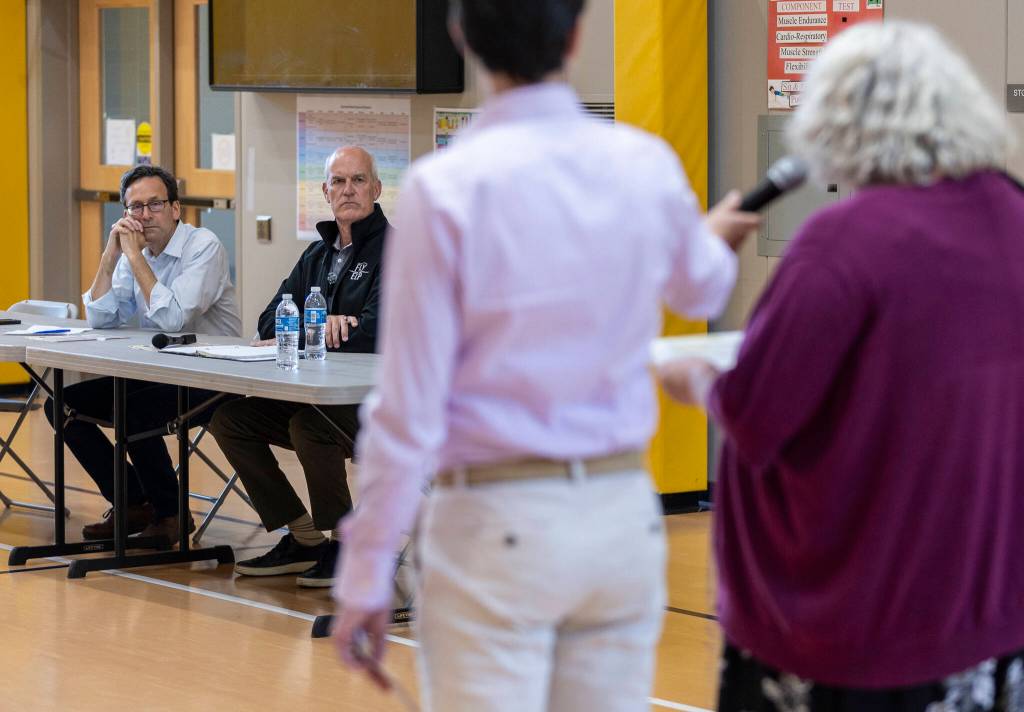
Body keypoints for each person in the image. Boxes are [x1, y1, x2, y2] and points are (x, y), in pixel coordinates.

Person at [329, 2, 759, 709]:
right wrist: (712, 232)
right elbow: (702, 281)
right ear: (577, 34)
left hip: (497, 520)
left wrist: (366, 570)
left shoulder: (448, 189)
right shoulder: (642, 163)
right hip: (621, 514)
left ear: (461, 36)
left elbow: (407, 408)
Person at [656, 21, 1024, 710]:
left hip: (861, 614)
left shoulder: (846, 240)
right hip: (984, 604)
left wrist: (695, 379)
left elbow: (757, 412)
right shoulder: (1012, 215)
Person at [208, 146, 387, 588]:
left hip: (380, 405)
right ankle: (306, 539)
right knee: (230, 419)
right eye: (339, 182)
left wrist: (321, 327)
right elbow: (269, 321)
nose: (348, 190)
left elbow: (376, 330)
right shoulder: (317, 255)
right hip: (319, 394)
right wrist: (323, 323)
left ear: (377, 189)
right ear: (325, 192)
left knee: (311, 426)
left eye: (358, 180)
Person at [44, 164, 241, 542]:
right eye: (135, 208)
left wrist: (134, 258)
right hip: (158, 372)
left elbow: (173, 319)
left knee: (131, 412)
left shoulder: (204, 246)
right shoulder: (133, 251)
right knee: (63, 406)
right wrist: (110, 254)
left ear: (176, 209)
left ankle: (172, 514)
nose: (144, 215)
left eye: (154, 204)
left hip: (214, 375)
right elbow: (101, 318)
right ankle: (135, 503)